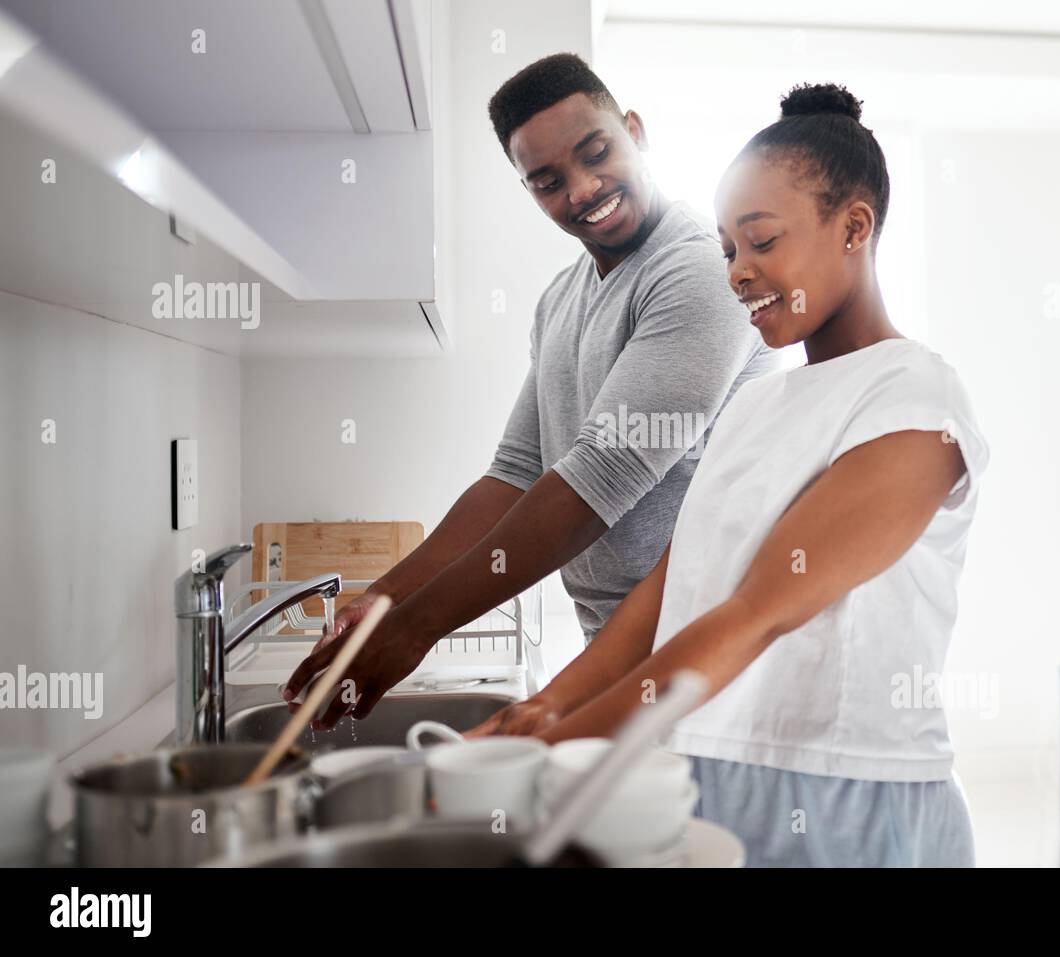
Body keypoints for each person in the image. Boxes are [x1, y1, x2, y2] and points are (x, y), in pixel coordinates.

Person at [468, 83, 991, 868]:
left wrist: (556, 749)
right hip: (704, 774)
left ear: (854, 227)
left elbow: (758, 611)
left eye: (761, 240)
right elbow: (667, 597)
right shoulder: (755, 408)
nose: (738, 272)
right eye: (726, 249)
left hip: (850, 798)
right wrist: (541, 708)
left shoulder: (916, 396)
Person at [283, 54, 776, 727]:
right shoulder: (561, 300)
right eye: (547, 181)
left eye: (596, 152)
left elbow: (599, 476)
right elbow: (514, 475)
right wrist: (387, 598)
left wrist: (419, 626)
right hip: (616, 643)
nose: (581, 189)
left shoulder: (696, 272)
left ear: (635, 130)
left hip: (704, 652)